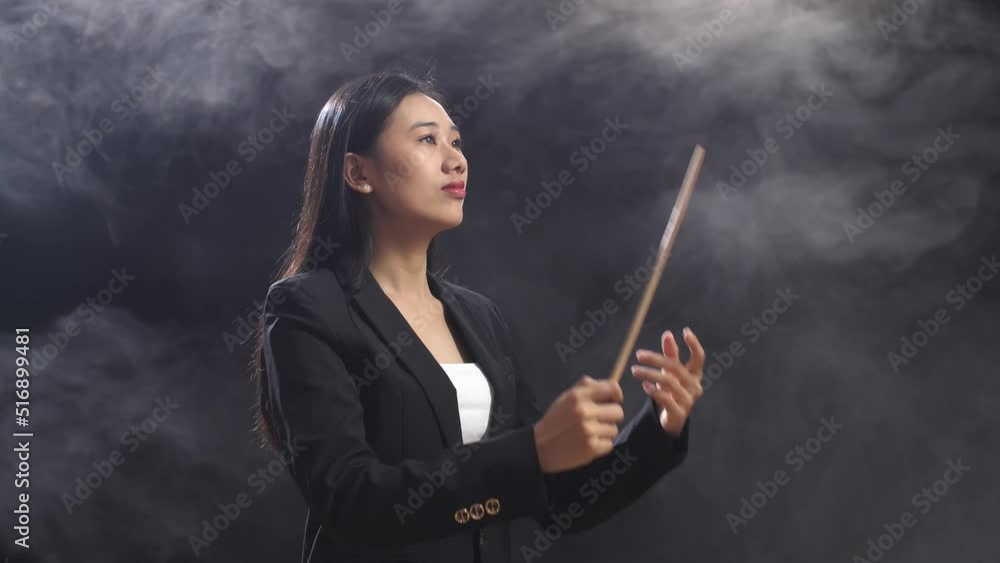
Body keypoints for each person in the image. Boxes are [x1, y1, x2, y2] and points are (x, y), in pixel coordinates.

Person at [248, 70, 705, 563]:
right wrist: (532, 451)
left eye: (457, 142)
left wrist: (659, 427)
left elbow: (560, 504)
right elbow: (350, 498)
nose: (456, 160)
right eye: (427, 140)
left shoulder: (477, 316)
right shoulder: (307, 308)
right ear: (358, 173)